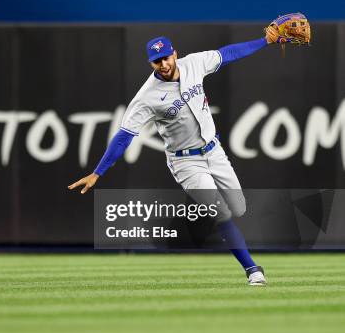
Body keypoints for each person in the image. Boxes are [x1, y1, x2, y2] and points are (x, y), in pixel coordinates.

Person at [68, 33, 279, 286]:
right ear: (151, 63)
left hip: (214, 150)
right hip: (185, 162)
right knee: (221, 213)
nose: (164, 64)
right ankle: (252, 269)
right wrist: (97, 172)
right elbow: (124, 137)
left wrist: (265, 41)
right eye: (157, 61)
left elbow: (229, 53)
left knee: (239, 207)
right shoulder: (146, 97)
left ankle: (225, 235)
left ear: (174, 53)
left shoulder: (194, 64)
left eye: (166, 57)